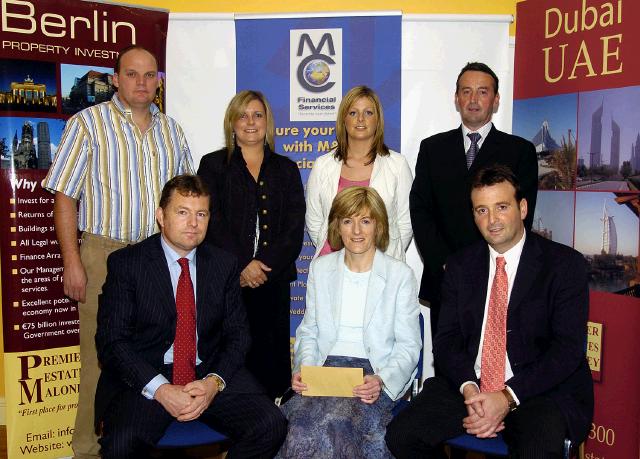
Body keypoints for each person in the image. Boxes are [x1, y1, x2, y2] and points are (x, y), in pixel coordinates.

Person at [41, 45, 193, 459]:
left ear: (158, 81)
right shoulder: (87, 124)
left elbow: (185, 198)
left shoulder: (171, 131)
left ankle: (140, 439)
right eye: (132, 74)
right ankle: (86, 449)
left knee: (156, 351)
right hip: (103, 255)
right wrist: (72, 261)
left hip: (157, 256)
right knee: (98, 357)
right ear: (115, 79)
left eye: (149, 75)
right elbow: (65, 196)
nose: (142, 82)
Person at [386, 165, 593, 458]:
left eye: (501, 207)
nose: (492, 220)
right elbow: (446, 341)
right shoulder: (460, 266)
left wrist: (507, 397)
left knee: (538, 449)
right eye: (481, 210)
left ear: (522, 208)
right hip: (471, 385)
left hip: (537, 390)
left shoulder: (564, 265)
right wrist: (470, 389)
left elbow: (567, 351)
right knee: (402, 435)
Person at [94, 175, 287, 458]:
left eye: (201, 214)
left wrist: (213, 382)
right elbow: (113, 343)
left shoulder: (224, 265)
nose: (193, 223)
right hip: (149, 375)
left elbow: (238, 335)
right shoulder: (128, 264)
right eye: (182, 212)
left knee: (271, 425)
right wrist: (161, 390)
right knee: (121, 444)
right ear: (161, 216)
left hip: (206, 372)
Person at [278, 186, 422, 458]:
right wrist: (304, 369)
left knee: (339, 425)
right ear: (337, 226)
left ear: (378, 226)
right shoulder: (320, 268)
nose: (356, 230)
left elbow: (409, 346)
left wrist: (381, 379)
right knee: (299, 428)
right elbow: (309, 331)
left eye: (365, 221)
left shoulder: (399, 275)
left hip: (373, 373)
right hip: (325, 369)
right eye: (348, 221)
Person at [410, 62, 538, 338]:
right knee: (450, 367)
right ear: (456, 99)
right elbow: (421, 210)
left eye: (482, 92)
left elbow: (519, 216)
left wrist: (485, 265)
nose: (473, 99)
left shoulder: (520, 151)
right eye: (466, 92)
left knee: (497, 366)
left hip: (499, 277)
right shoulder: (432, 148)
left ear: (496, 99)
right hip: (444, 277)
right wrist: (445, 262)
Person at [197, 90, 305, 400]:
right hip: (228, 282)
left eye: (258, 115)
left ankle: (271, 428)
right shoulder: (213, 165)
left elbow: (293, 229)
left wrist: (262, 268)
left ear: (268, 122)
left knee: (270, 362)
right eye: (243, 115)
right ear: (232, 123)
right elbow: (210, 219)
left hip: (273, 282)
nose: (250, 122)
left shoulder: (286, 168)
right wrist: (243, 264)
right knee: (229, 356)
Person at [306, 85, 413, 261]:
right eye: (353, 113)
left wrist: (386, 258)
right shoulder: (322, 165)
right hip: (332, 266)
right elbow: (315, 219)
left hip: (382, 267)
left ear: (377, 120)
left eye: (368, 113)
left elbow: (405, 221)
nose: (361, 119)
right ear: (343, 120)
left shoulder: (397, 165)